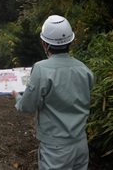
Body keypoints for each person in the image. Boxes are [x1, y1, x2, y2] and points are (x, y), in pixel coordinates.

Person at [12, 15, 94, 170]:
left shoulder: (42, 69)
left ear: (45, 43)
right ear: (70, 41)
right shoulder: (84, 69)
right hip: (81, 143)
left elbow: (27, 106)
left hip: (56, 148)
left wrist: (17, 97)